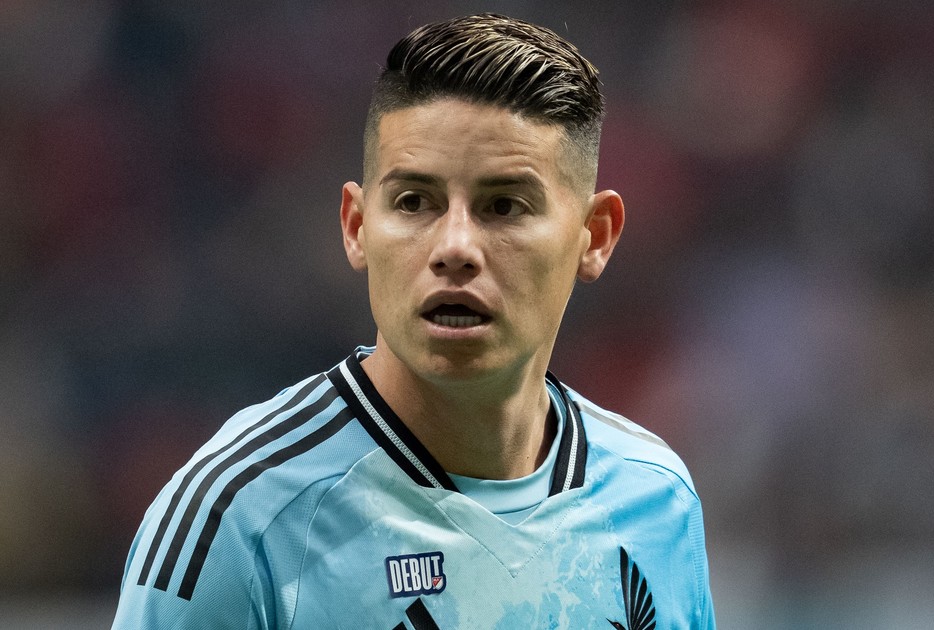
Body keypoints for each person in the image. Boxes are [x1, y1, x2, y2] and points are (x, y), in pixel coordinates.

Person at [112, 13, 716, 629]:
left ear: (595, 236)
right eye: (414, 202)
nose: (455, 247)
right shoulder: (239, 521)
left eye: (504, 205)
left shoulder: (655, 498)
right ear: (357, 226)